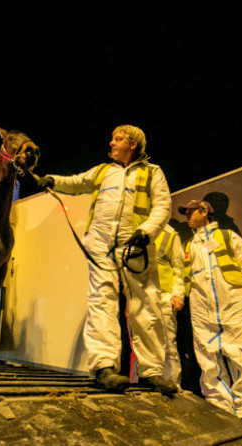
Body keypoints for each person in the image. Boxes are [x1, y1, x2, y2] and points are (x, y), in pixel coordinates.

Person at [35, 125, 177, 395]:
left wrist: (146, 231)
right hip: (101, 245)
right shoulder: (102, 171)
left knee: (146, 306)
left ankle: (152, 372)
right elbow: (77, 183)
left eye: (118, 139)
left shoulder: (153, 172)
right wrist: (52, 179)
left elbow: (163, 206)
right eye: (112, 138)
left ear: (133, 144)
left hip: (135, 245)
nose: (111, 143)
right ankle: (104, 367)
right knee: (102, 300)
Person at [179, 199, 242, 422]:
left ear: (205, 212)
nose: (188, 217)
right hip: (201, 307)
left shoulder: (227, 236)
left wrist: (235, 290)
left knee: (241, 353)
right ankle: (220, 409)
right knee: (208, 357)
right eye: (186, 213)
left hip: (231, 303)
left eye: (192, 212)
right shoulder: (189, 246)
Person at [153, 224, 185, 387]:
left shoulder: (169, 234)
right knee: (143, 344)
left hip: (163, 296)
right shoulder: (135, 227)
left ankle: (171, 384)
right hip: (141, 297)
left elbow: (179, 267)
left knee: (167, 344)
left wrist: (178, 293)